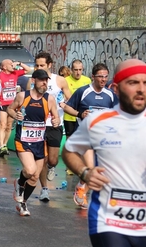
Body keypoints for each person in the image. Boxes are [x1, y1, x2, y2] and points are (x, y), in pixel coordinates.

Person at [62, 58, 146, 247]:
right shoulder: (97, 122)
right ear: (116, 88)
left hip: (143, 226)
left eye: (145, 82)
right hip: (109, 221)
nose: (141, 88)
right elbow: (70, 150)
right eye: (133, 83)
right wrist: (85, 173)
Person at [63, 63, 118, 209]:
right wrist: (80, 114)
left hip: (103, 139)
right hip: (85, 138)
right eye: (100, 76)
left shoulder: (110, 95)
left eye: (106, 76)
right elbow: (67, 107)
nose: (103, 79)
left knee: (103, 170)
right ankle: (82, 192)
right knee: (90, 166)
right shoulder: (83, 92)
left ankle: (81, 187)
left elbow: (119, 113)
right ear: (93, 77)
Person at [7, 69, 60, 216]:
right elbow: (9, 109)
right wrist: (15, 114)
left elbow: (56, 117)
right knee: (30, 171)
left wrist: (56, 121)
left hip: (39, 141)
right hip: (23, 141)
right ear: (34, 80)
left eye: (46, 80)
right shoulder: (22, 96)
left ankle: (22, 203)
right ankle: (19, 183)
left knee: (35, 176)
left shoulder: (49, 99)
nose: (45, 83)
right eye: (42, 80)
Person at [32, 52, 71, 202]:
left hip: (55, 123)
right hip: (39, 125)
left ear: (49, 65)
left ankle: (52, 167)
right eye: (37, 65)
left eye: (42, 65)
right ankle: (44, 189)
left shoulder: (59, 80)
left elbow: (70, 98)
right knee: (42, 158)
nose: (39, 67)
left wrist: (64, 104)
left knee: (53, 160)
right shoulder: (33, 80)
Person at [0, 59, 30, 157]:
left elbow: (28, 70)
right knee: (2, 124)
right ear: (4, 67)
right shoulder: (0, 75)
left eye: (13, 63)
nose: (13, 65)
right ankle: (1, 145)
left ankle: (5, 145)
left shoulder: (15, 73)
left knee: (9, 126)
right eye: (10, 64)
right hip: (2, 103)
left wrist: (19, 63)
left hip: (12, 104)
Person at [64, 59, 91, 174]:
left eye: (80, 70)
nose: (78, 72)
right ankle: (70, 166)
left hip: (83, 117)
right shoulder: (65, 80)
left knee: (84, 141)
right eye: (75, 70)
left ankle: (83, 164)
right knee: (70, 141)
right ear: (71, 70)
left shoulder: (87, 80)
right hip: (70, 116)